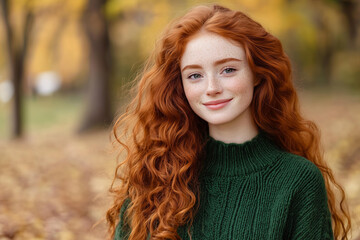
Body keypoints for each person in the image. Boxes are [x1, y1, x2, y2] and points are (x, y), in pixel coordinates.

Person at [106, 4, 351, 240]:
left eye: (228, 70)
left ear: (257, 73)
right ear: (180, 85)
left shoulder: (298, 180)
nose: (212, 88)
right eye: (195, 75)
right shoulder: (156, 173)